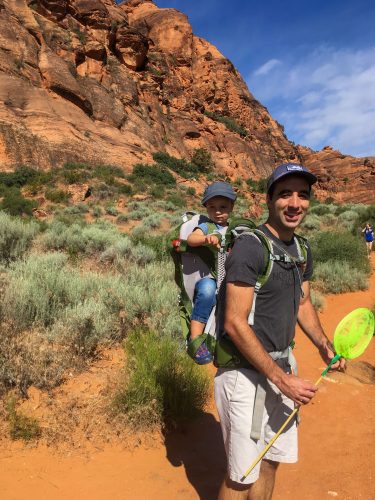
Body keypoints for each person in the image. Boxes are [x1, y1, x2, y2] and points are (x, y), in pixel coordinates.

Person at [214, 163, 345, 500]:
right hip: (245, 375)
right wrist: (281, 379)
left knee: (271, 461)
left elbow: (303, 304)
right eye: (285, 194)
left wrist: (323, 345)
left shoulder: (301, 250)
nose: (294, 203)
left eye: (303, 195)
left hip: (282, 370)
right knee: (242, 476)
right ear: (269, 200)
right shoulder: (250, 247)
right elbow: (234, 322)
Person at [187, 181, 236, 364]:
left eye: (223, 207)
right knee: (208, 290)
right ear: (206, 208)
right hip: (209, 276)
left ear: (231, 207)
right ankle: (195, 338)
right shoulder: (207, 226)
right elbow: (192, 239)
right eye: (212, 207)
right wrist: (206, 239)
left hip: (230, 277)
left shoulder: (234, 229)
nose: (217, 211)